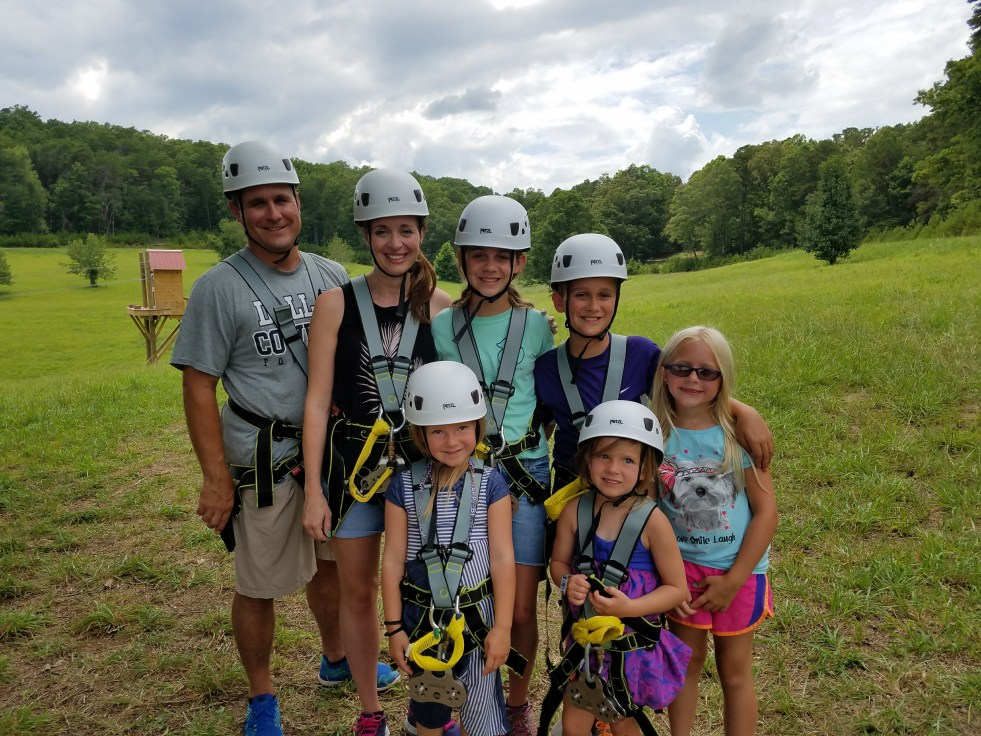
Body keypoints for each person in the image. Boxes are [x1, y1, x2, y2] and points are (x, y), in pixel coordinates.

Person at [171, 140, 363, 736]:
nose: (273, 213)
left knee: (332, 565)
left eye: (282, 199)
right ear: (237, 211)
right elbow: (198, 386)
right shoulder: (219, 288)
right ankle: (261, 696)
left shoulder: (329, 275)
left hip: (330, 454)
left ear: (299, 202)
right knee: (258, 584)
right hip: (266, 458)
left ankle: (336, 659)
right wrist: (215, 478)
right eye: (257, 203)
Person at [302, 169, 453, 736]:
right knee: (359, 591)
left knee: (428, 587)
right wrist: (313, 490)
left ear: (421, 234)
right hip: (354, 472)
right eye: (383, 231)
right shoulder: (334, 305)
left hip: (423, 470)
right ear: (365, 235)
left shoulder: (439, 305)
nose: (396, 243)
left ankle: (429, 707)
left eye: (406, 230)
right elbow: (317, 402)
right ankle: (370, 710)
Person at [431, 194, 554, 736]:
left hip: (523, 474)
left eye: (501, 257)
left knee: (519, 607)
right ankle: (460, 699)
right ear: (461, 259)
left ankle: (516, 702)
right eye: (477, 256)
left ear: (518, 262)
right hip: (460, 477)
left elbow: (550, 395)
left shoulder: (536, 326)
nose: (489, 266)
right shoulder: (443, 327)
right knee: (455, 593)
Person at [535, 233, 774, 509]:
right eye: (581, 295)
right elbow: (542, 430)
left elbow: (687, 389)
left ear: (617, 298)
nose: (593, 306)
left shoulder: (640, 354)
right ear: (559, 301)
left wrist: (744, 412)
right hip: (571, 494)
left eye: (604, 295)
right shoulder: (546, 368)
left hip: (632, 491)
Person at [650, 326, 778, 736]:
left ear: (723, 378)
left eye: (707, 372)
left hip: (739, 571)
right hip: (680, 573)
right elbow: (648, 511)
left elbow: (766, 513)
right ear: (664, 371)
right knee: (684, 665)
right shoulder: (654, 433)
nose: (693, 379)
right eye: (682, 368)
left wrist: (735, 579)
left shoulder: (738, 434)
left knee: (735, 673)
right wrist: (668, 578)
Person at [381, 361, 516, 736]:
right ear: (420, 433)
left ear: (478, 426)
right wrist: (394, 629)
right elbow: (392, 561)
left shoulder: (490, 483)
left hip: (478, 623)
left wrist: (502, 628)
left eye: (462, 427)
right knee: (429, 715)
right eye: (438, 430)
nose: (452, 440)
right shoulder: (403, 486)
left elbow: (503, 559)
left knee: (481, 712)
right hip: (423, 625)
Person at [547, 400, 692, 736]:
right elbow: (558, 563)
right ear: (587, 459)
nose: (613, 469)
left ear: (644, 469)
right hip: (584, 643)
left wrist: (630, 608)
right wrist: (567, 581)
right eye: (604, 456)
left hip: (630, 648)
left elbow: (676, 589)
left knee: (624, 721)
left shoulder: (653, 522)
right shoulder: (574, 511)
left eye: (627, 460)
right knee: (573, 724)